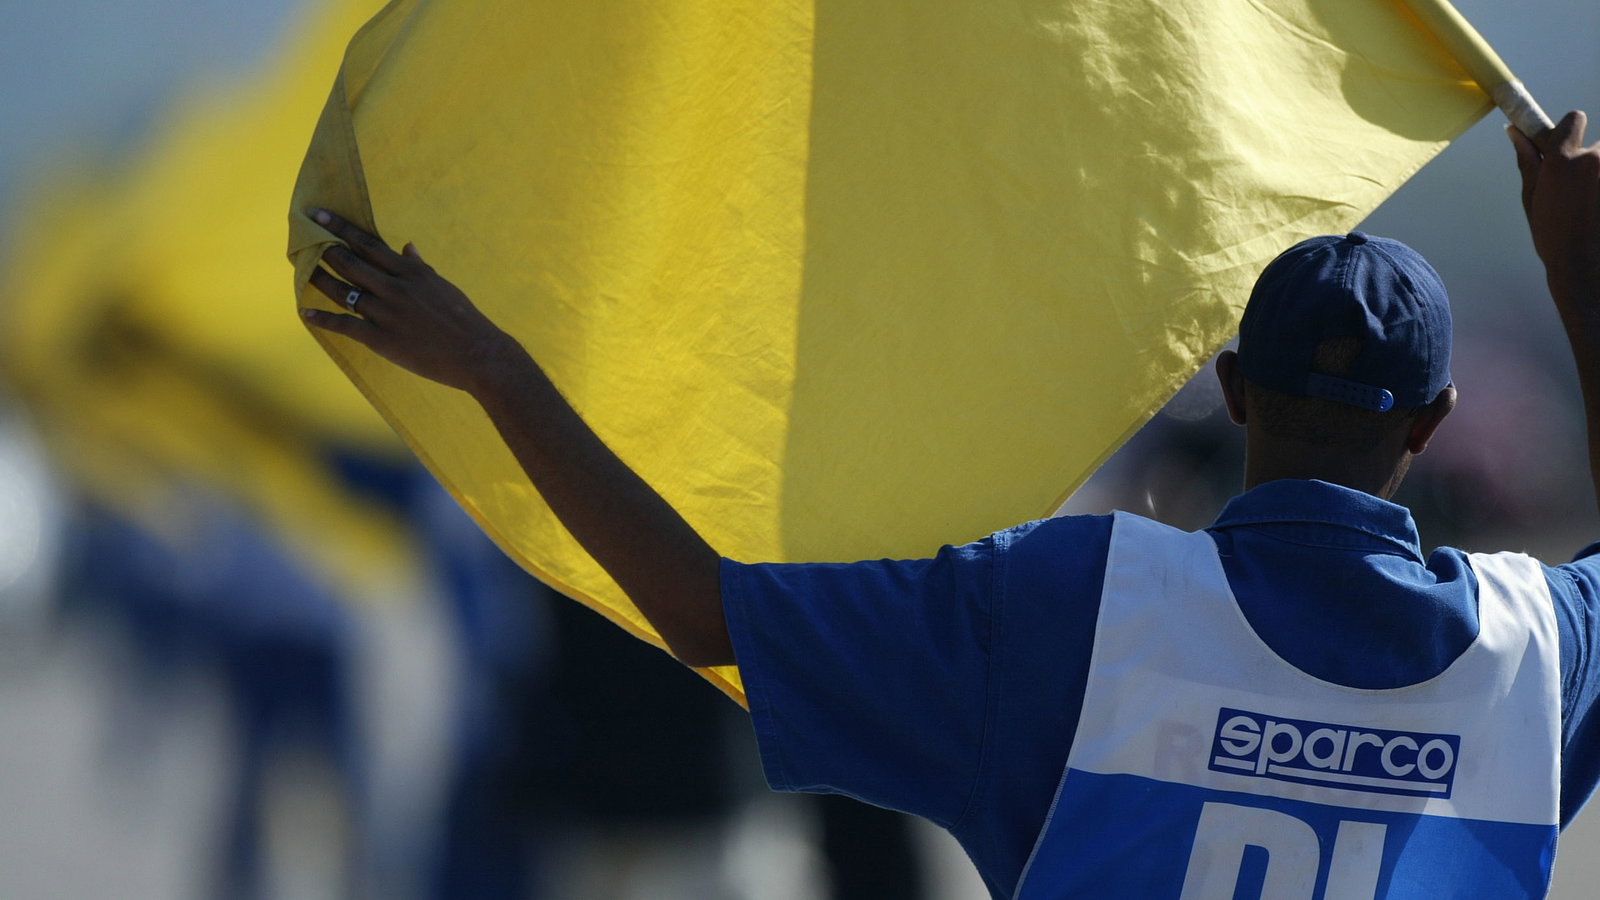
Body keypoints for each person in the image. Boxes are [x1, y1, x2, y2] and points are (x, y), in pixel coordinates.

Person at [299, 110, 1600, 897]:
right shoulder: (1533, 651)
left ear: (1234, 391)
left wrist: (496, 368)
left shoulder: (1076, 605)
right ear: (1432, 423)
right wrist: (1579, 273)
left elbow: (700, 611)